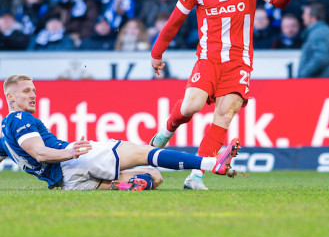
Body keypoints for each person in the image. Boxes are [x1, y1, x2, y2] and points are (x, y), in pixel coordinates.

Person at [149, 0, 306, 190]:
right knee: (191, 106)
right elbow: (174, 21)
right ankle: (166, 132)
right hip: (208, 59)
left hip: (239, 61)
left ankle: (196, 176)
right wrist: (157, 53)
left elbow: (277, 0)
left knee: (226, 112)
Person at [0, 74, 240, 191]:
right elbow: (40, 152)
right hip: (73, 161)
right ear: (10, 97)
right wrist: (70, 152)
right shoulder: (20, 118)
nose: (33, 95)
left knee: (153, 176)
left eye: (34, 90)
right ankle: (211, 163)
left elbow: (21, 154)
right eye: (26, 92)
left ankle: (124, 185)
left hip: (65, 183)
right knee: (144, 152)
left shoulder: (4, 135)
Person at [297, 3, 329, 78]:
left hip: (323, 82)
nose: (302, 17)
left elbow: (320, 58)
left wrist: (303, 74)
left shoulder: (318, 33)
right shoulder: (324, 30)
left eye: (305, 14)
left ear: (313, 18)